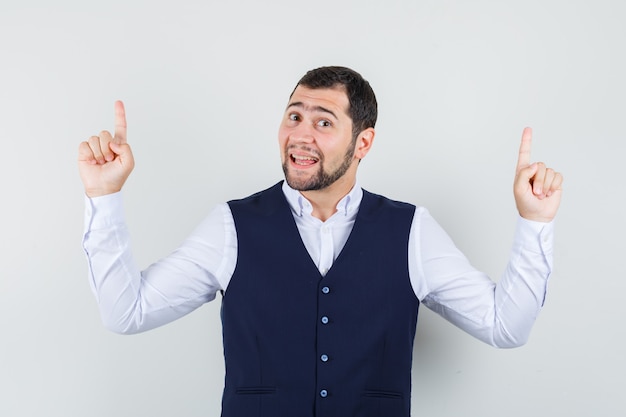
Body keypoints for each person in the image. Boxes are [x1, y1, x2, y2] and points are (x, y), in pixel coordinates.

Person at [78, 66, 563, 417]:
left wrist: (535, 223)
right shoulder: (232, 226)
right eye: (294, 116)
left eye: (323, 122)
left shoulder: (411, 231)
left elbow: (506, 326)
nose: (300, 135)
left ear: (363, 144)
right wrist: (103, 197)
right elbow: (127, 313)